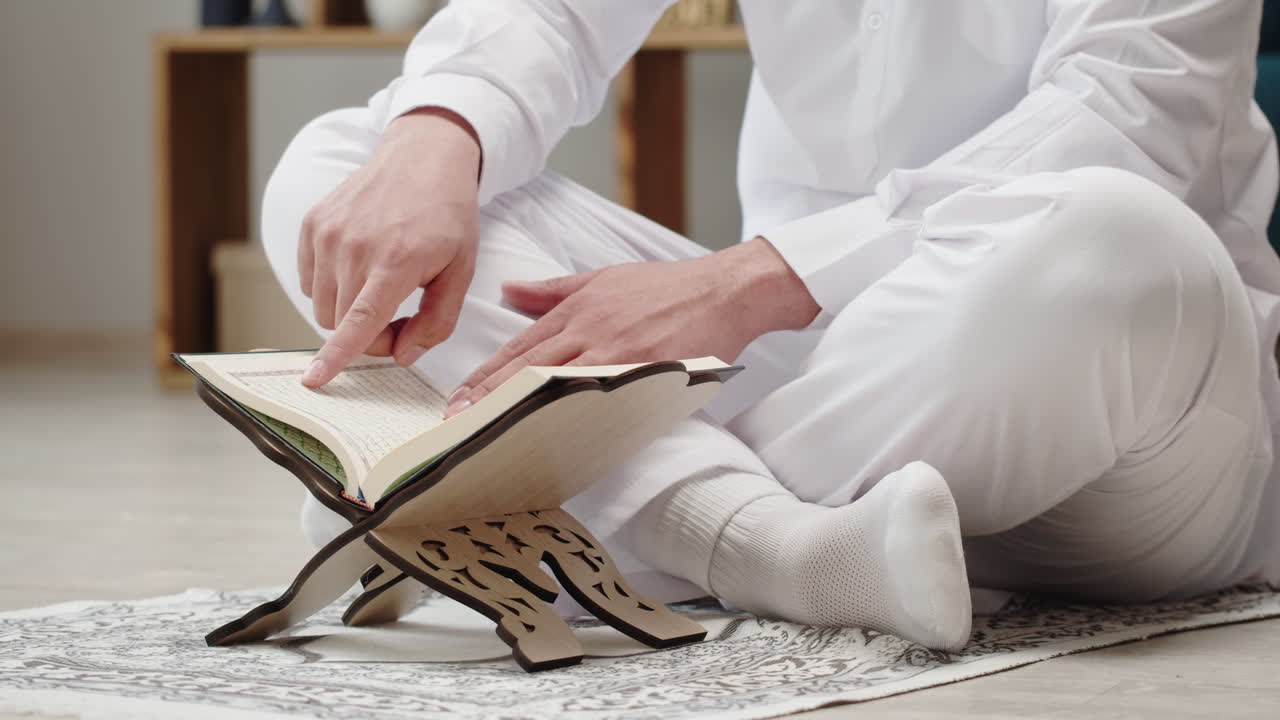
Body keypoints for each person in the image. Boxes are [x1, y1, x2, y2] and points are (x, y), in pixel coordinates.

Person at [261, 0, 1280, 651]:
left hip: (1110, 416)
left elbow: (1129, 113)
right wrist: (439, 136)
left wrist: (746, 283)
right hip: (808, 374)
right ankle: (773, 545)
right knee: (347, 159)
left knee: (1112, 234)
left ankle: (520, 502)